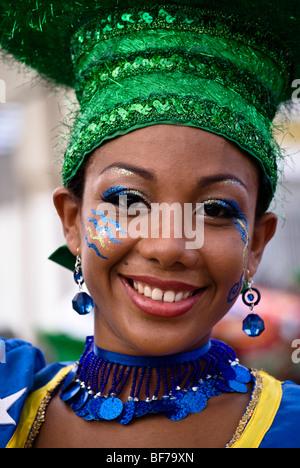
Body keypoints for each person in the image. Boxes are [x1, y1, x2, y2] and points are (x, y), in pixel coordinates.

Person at [0, 0, 300, 448]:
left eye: (216, 209)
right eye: (126, 199)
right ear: (73, 222)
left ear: (255, 244)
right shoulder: (11, 396)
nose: (168, 246)